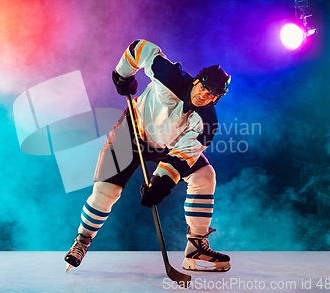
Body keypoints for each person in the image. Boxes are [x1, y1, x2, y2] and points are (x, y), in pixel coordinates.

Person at [65, 39, 231, 272]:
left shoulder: (207, 123)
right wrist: (124, 75)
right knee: (106, 192)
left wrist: (161, 182)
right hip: (131, 132)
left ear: (216, 99)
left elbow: (182, 156)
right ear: (197, 80)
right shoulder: (169, 75)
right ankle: (82, 241)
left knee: (204, 176)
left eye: (211, 94)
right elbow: (139, 48)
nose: (204, 95)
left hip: (165, 146)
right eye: (204, 87)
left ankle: (195, 247)